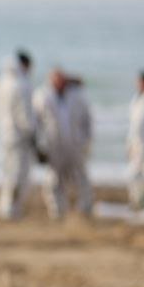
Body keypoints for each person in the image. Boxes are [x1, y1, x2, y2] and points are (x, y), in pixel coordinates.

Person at [33, 69, 93, 219]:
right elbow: (36, 122)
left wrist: (86, 140)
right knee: (53, 179)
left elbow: (87, 119)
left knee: (81, 177)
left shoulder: (77, 95)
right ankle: (57, 211)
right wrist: (39, 145)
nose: (59, 83)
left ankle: (85, 208)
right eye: (56, 79)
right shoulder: (42, 95)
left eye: (62, 79)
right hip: (54, 145)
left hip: (75, 144)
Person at [0, 51, 38, 220]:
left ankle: (4, 207)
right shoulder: (21, 84)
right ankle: (12, 209)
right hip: (20, 138)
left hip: (6, 135)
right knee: (19, 175)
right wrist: (33, 134)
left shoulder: (2, 82)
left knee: (8, 172)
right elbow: (24, 115)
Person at [129, 72, 144, 210]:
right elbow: (133, 125)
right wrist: (129, 145)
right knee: (134, 175)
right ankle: (138, 203)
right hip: (136, 145)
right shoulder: (136, 98)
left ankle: (140, 204)